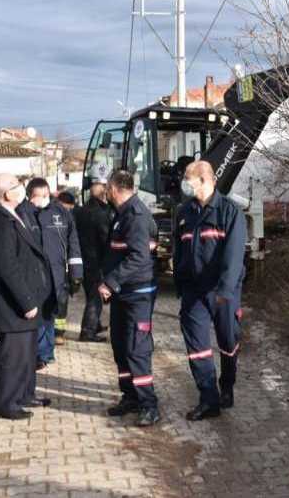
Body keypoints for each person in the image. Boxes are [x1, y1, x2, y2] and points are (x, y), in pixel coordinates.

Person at [173, 160, 247, 421]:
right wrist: (180, 285)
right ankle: (208, 398)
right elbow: (178, 250)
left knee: (228, 342)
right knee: (197, 346)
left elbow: (234, 256)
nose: (184, 184)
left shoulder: (229, 212)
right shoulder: (184, 212)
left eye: (188, 179)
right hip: (194, 292)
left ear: (204, 180)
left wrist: (225, 292)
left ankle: (227, 386)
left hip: (222, 292)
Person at [0, 174, 52, 420]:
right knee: (12, 356)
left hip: (27, 300)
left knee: (26, 353)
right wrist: (26, 300)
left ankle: (24, 394)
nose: (22, 189)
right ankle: (6, 403)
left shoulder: (12, 213)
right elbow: (6, 266)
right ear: (6, 194)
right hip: (13, 304)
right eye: (16, 186)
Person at [100, 170, 161, 426]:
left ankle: (149, 405)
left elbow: (139, 257)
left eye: (107, 187)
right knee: (121, 347)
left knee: (137, 350)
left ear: (114, 188)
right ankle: (130, 397)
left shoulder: (135, 215)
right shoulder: (122, 213)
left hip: (137, 295)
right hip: (123, 295)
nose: (105, 191)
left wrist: (111, 282)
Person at [18, 178, 83, 361]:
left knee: (50, 314)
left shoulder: (61, 213)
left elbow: (73, 243)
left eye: (47, 195)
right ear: (30, 196)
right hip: (31, 275)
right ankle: (37, 354)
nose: (44, 199)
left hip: (57, 275)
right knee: (35, 316)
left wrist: (77, 273)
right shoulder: (21, 212)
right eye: (40, 196)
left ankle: (45, 353)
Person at [75, 169, 115, 342]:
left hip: (84, 259)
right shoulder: (102, 213)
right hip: (97, 260)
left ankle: (95, 323)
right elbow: (106, 238)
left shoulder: (81, 210)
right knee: (95, 297)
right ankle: (88, 331)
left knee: (91, 292)